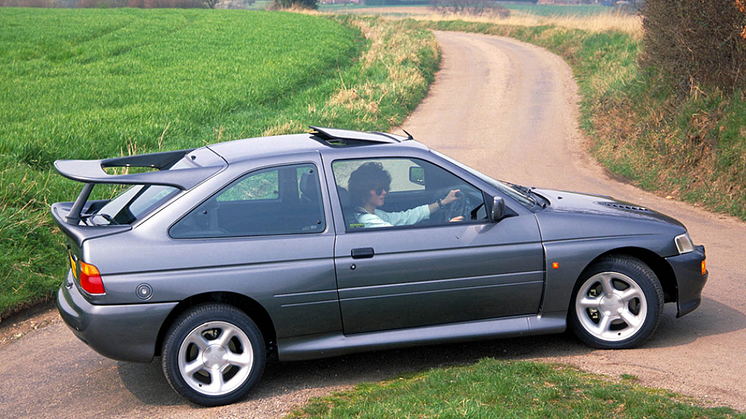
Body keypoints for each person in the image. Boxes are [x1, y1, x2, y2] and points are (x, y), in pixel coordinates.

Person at [347, 162, 463, 228]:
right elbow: (404, 237)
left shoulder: (373, 213)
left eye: (385, 188)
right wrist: (447, 228)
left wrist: (443, 202)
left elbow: (405, 217)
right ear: (364, 191)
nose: (384, 192)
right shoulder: (368, 221)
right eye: (379, 190)